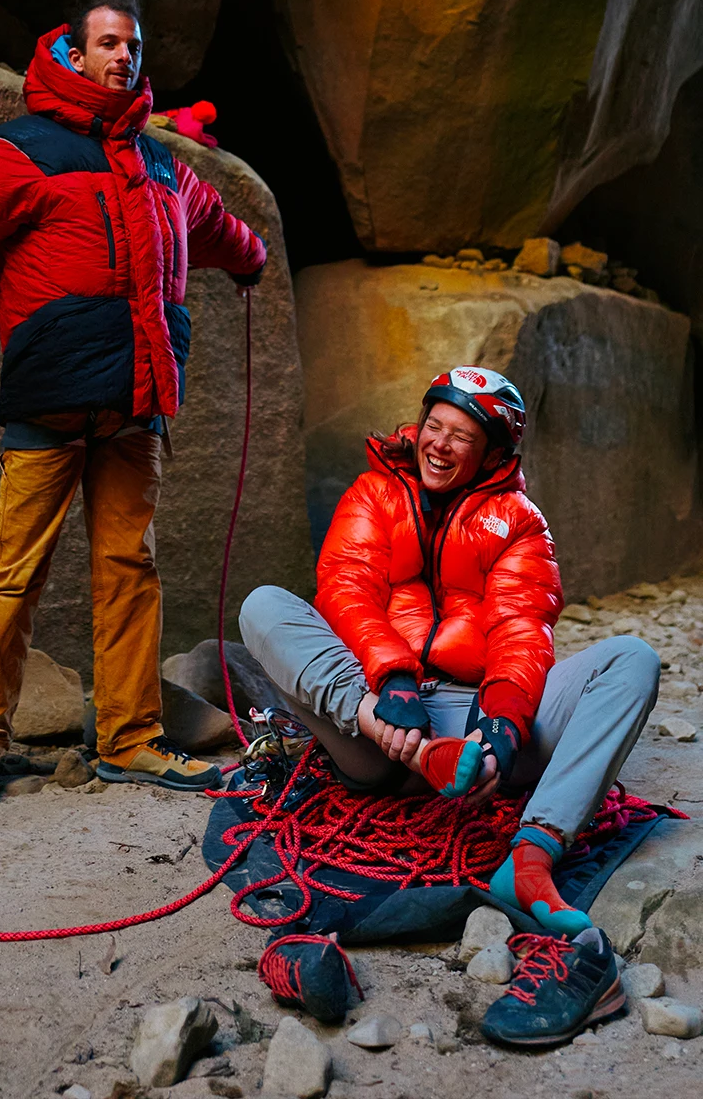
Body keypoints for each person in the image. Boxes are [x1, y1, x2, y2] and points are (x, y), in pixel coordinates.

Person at [0, 0, 266, 811]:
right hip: (51, 407)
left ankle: (132, 740)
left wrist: (253, 259)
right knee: (13, 577)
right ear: (72, 53)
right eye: (106, 43)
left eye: (131, 46)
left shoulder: (164, 164)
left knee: (130, 571)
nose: (120, 57)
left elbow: (217, 228)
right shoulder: (23, 148)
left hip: (136, 410)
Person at [240, 365, 660, 939]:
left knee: (631, 660)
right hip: (377, 722)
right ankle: (422, 757)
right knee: (262, 606)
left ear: (491, 452)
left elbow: (521, 625)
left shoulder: (519, 522)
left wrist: (503, 730)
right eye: (433, 424)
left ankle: (532, 859)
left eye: (461, 435)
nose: (439, 444)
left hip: (477, 726)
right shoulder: (373, 493)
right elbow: (347, 589)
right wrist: (393, 684)